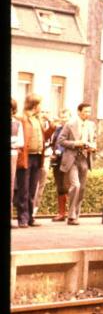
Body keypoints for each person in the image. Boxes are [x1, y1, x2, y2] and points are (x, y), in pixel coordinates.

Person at [15, 93, 56, 228]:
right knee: (24, 189)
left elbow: (43, 137)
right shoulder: (22, 118)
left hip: (38, 156)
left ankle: (30, 217)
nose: (41, 107)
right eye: (40, 104)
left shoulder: (38, 119)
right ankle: (23, 218)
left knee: (33, 188)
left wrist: (51, 126)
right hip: (26, 157)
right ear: (34, 105)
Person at [56, 103, 97, 225]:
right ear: (79, 112)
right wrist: (75, 143)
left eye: (89, 112)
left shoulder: (91, 125)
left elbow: (93, 140)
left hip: (84, 159)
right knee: (76, 185)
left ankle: (75, 215)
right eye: (85, 112)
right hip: (71, 158)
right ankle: (71, 216)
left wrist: (93, 146)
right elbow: (61, 140)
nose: (87, 114)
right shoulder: (70, 124)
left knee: (82, 188)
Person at [49, 109, 72, 221]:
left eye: (66, 117)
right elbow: (54, 143)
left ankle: (70, 213)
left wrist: (61, 152)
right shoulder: (57, 129)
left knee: (68, 186)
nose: (64, 119)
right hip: (57, 160)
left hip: (67, 159)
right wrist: (53, 153)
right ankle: (61, 213)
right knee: (60, 186)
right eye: (62, 117)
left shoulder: (72, 129)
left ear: (70, 118)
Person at [32, 109, 55, 218]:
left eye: (47, 111)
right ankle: (30, 208)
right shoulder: (35, 124)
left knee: (41, 184)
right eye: (42, 111)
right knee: (34, 183)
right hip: (37, 155)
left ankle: (34, 209)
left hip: (47, 156)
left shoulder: (52, 125)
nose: (45, 114)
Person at [11, 99, 25, 221]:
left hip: (12, 155)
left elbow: (20, 142)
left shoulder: (17, 123)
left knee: (10, 186)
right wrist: (13, 141)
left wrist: (14, 143)